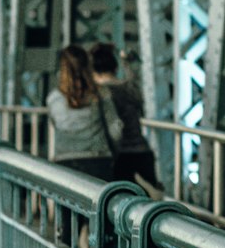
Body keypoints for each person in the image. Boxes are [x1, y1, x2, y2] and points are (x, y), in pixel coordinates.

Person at [46, 44, 122, 180]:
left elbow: (55, 125)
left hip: (65, 161)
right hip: (99, 160)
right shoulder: (101, 94)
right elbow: (116, 131)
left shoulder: (54, 99)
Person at [89, 43, 157, 186]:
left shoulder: (99, 94)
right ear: (115, 67)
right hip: (142, 151)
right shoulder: (130, 87)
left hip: (118, 156)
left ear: (92, 70)